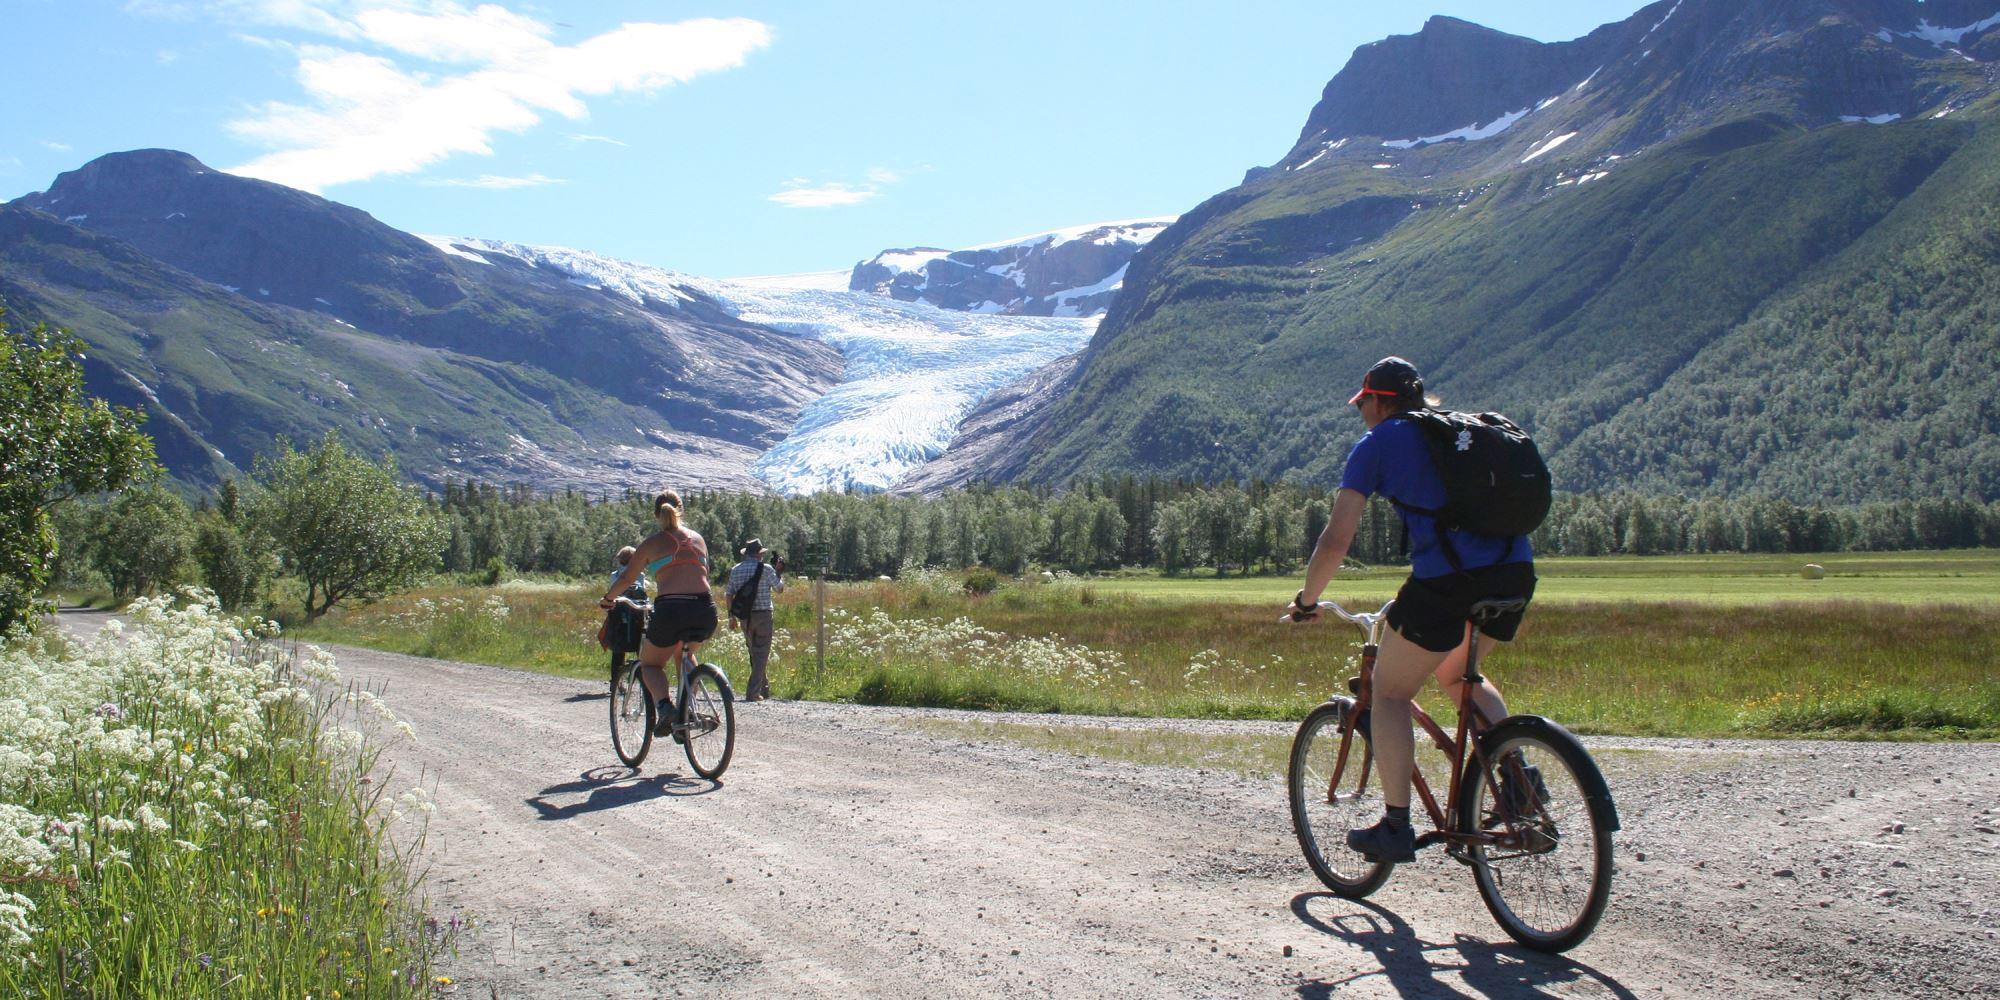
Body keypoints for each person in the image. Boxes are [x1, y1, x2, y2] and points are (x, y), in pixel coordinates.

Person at [1289, 356, 1536, 863]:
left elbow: (1336, 541)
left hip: (1448, 582)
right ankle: (1519, 778)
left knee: (1391, 693)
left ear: (1379, 401)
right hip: (1515, 574)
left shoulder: (1378, 443)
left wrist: (1306, 601)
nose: (1362, 415)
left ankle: (1396, 825)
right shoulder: (1463, 432)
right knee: (1457, 673)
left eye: (1364, 406)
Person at [600, 490, 716, 738]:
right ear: (681, 509)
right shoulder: (699, 539)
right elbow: (704, 572)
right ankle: (689, 710)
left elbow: (627, 578)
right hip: (705, 608)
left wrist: (609, 599)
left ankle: (666, 708)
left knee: (650, 665)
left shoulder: (651, 544)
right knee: (685, 654)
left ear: (656, 514)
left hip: (671, 609)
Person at [724, 538, 785, 701]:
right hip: (764, 614)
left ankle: (763, 689)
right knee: (762, 653)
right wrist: (778, 572)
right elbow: (779, 589)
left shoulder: (736, 570)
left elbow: (729, 594)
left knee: (754, 653)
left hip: (745, 616)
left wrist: (731, 616)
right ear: (759, 554)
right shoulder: (766, 569)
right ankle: (752, 693)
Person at [595, 546, 646, 652]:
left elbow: (612, 590)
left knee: (615, 629)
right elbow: (642, 593)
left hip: (617, 608)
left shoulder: (614, 575)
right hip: (636, 610)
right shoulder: (640, 575)